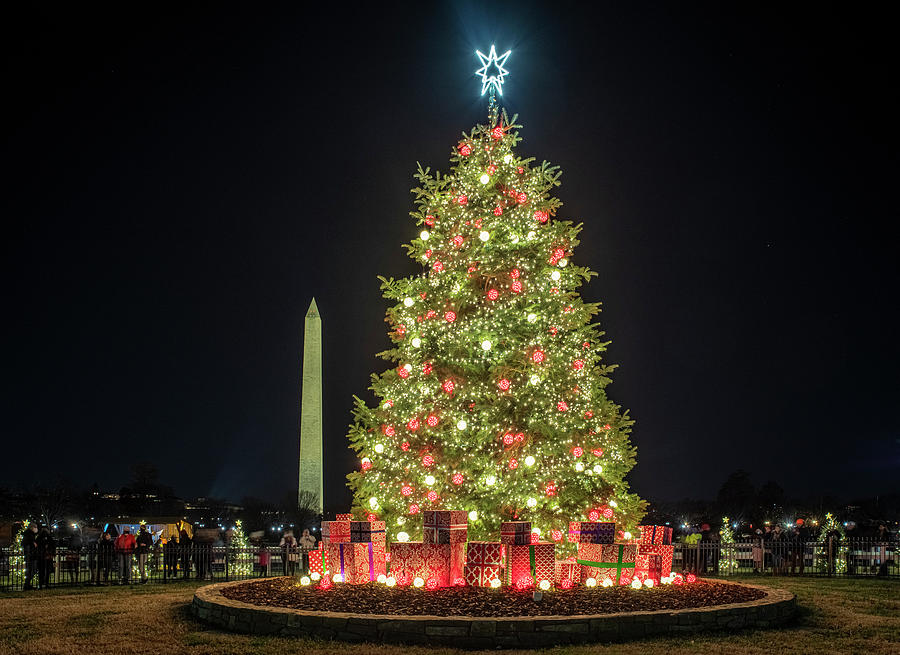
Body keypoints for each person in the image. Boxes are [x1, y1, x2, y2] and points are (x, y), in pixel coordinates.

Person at [22, 523, 38, 590]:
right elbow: (27, 545)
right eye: (35, 527)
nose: (36, 529)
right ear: (32, 528)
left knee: (32, 570)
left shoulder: (30, 535)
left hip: (31, 555)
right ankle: (27, 585)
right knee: (31, 570)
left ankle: (27, 584)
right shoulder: (29, 535)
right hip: (31, 556)